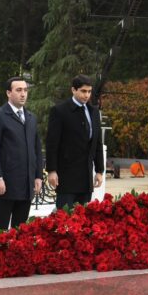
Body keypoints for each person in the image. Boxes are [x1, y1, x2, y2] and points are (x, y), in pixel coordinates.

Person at [0, 77, 43, 231]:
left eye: (25, 90)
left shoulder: (31, 118)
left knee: (21, 231)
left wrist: (38, 176)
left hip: (26, 185)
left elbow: (37, 149)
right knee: (0, 230)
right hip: (6, 184)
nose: (23, 94)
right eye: (18, 90)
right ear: (8, 93)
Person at [46, 75, 105, 210]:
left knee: (83, 220)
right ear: (73, 90)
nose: (87, 95)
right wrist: (52, 170)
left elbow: (97, 143)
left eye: (89, 92)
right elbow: (52, 143)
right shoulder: (60, 111)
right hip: (66, 177)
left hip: (86, 177)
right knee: (64, 219)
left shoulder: (94, 112)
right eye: (83, 91)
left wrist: (100, 171)